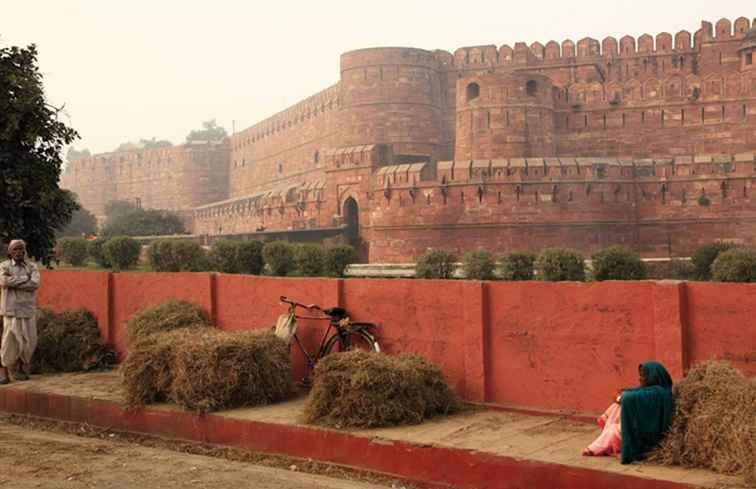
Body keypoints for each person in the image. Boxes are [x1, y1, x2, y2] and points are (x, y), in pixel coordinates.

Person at [583, 361, 674, 464]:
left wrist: (620, 398)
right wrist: (620, 396)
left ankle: (596, 448)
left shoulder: (658, 392)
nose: (640, 378)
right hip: (639, 425)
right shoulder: (650, 389)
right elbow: (632, 393)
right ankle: (601, 444)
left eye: (643, 375)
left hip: (647, 432)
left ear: (653, 376)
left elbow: (628, 398)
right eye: (640, 375)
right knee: (615, 410)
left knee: (613, 430)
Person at [0, 240, 41, 384]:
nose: (19, 252)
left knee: (29, 341)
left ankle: (20, 370)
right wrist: (25, 279)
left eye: (21, 249)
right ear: (10, 252)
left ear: (25, 251)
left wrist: (14, 282)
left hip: (27, 310)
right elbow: (4, 281)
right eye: (16, 249)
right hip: (10, 310)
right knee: (8, 341)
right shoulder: (4, 266)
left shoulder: (32, 266)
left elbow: (35, 284)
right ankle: (4, 372)